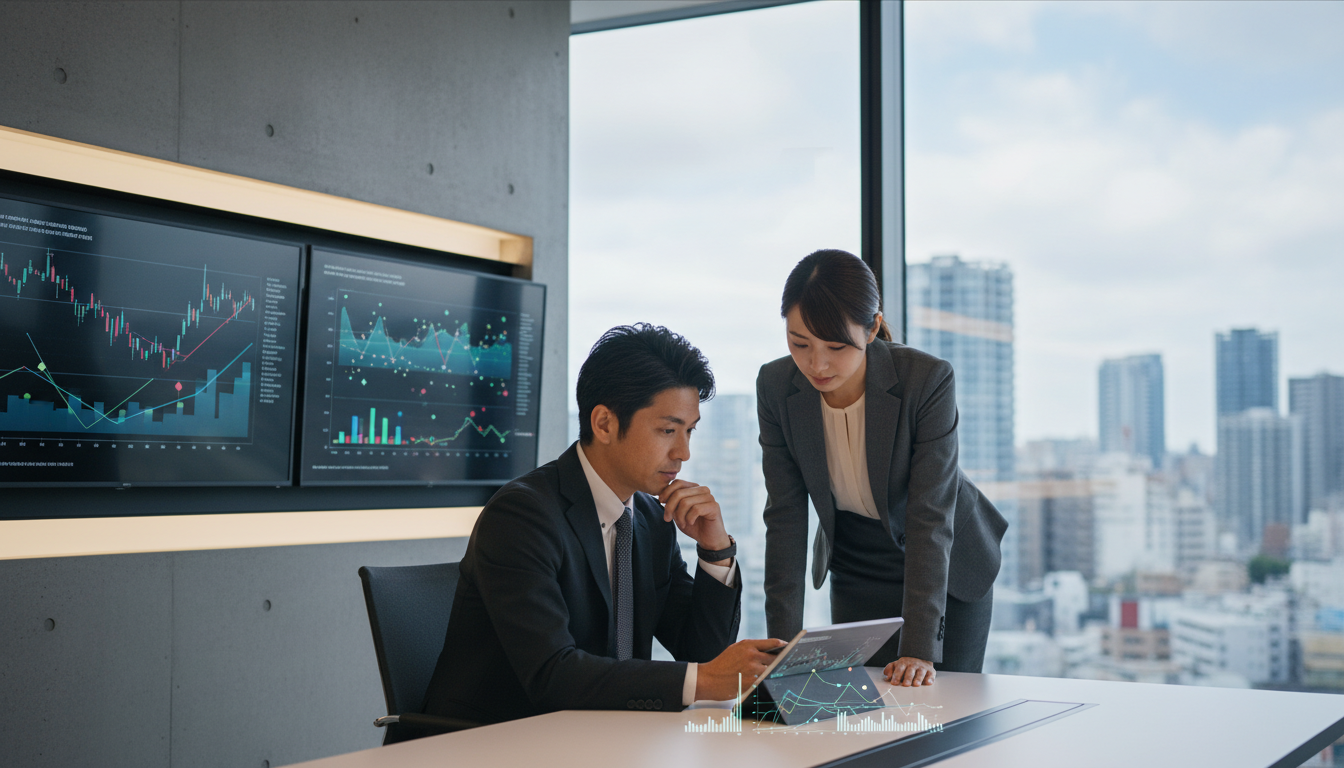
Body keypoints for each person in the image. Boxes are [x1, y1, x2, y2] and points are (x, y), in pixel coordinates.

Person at [422, 323, 783, 725]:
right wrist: (703, 679)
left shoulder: (648, 516)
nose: (683, 453)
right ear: (605, 424)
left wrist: (715, 551)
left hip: (605, 737)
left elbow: (701, 653)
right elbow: (552, 675)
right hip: (494, 741)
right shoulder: (522, 516)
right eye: (667, 430)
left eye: (689, 432)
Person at [757, 249, 1008, 687]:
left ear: (872, 327)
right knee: (860, 713)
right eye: (800, 343)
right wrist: (780, 647)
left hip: (945, 566)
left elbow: (931, 516)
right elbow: (785, 519)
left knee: (939, 711)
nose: (817, 364)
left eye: (835, 346)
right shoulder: (777, 386)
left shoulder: (926, 380)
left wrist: (918, 649)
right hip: (856, 559)